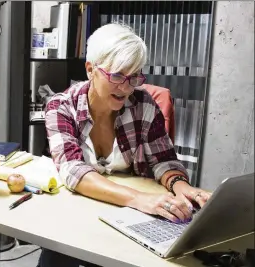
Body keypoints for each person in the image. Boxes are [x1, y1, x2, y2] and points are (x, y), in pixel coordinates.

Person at [39, 23, 212, 267]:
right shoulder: (61, 107)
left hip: (126, 218)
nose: (126, 88)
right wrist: (140, 199)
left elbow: (164, 160)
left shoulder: (143, 104)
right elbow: (73, 170)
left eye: (134, 77)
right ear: (90, 69)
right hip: (75, 215)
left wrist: (181, 186)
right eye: (117, 75)